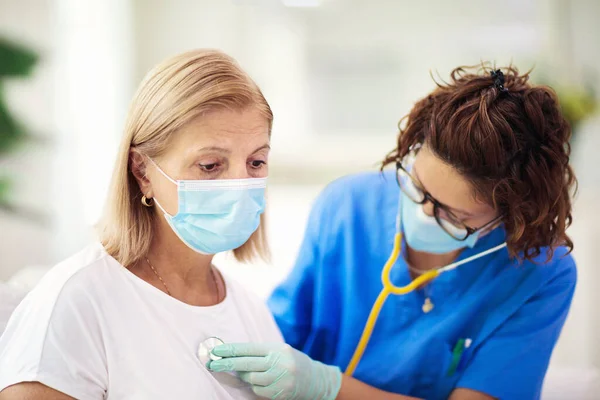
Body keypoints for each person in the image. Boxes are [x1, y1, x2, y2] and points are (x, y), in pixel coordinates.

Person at [207, 65, 578, 400]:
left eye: (454, 214)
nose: (424, 212)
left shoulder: (541, 272)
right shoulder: (350, 205)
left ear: (510, 216)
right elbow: (279, 332)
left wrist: (328, 387)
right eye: (418, 186)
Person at [0, 49, 283, 400]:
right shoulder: (78, 300)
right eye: (210, 165)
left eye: (256, 162)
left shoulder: (249, 311)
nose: (239, 184)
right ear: (142, 171)